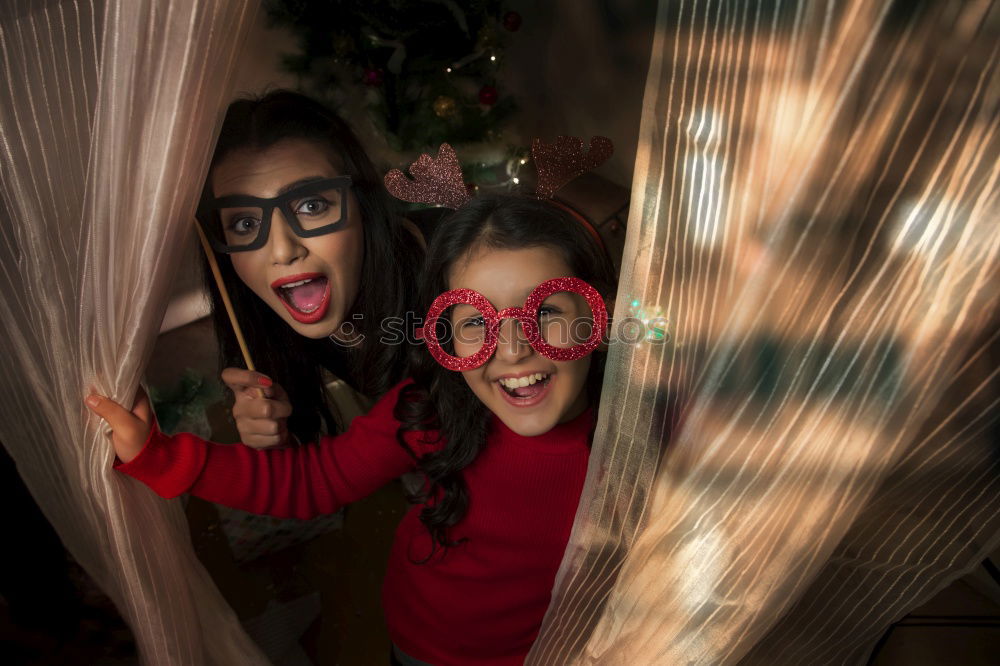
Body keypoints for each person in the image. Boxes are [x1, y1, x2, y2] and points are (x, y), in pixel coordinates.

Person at [87, 193, 617, 665]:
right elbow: (313, 481)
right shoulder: (429, 410)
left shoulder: (643, 442)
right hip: (421, 643)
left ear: (597, 317)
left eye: (545, 310)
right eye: (476, 321)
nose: (513, 348)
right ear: (446, 338)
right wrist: (159, 455)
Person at [198, 90, 424, 446]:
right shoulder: (276, 327)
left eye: (311, 205)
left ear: (362, 204)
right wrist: (279, 443)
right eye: (245, 224)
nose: (284, 250)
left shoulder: (459, 271)